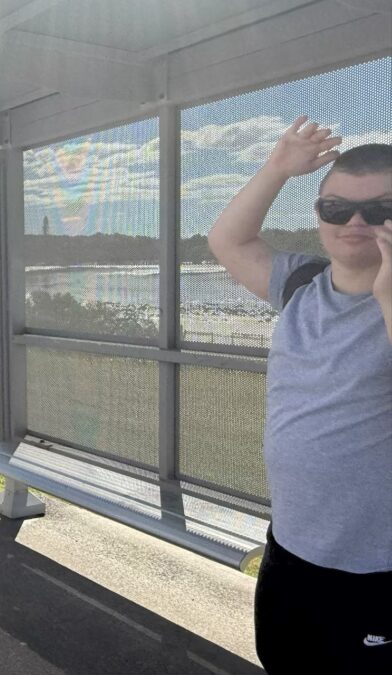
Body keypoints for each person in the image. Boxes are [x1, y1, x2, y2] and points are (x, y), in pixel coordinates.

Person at [208, 117, 391, 674]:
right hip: (292, 547)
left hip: (375, 571)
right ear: (319, 217)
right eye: (336, 209)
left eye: (380, 209)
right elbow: (228, 240)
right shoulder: (300, 284)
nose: (355, 222)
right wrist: (278, 168)